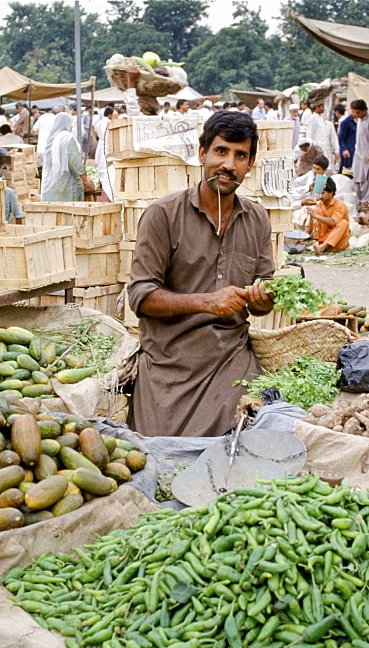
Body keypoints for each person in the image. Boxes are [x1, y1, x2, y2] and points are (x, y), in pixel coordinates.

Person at [127, 110, 275, 438]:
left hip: (230, 357)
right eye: (221, 151)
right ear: (202, 154)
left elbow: (263, 301)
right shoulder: (162, 215)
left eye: (240, 156)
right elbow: (140, 296)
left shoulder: (257, 219)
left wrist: (265, 298)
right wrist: (207, 302)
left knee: (248, 436)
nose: (229, 165)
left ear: (250, 165)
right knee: (161, 453)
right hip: (171, 359)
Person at [40, 112, 91, 202]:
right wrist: (85, 180)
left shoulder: (51, 138)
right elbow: (75, 163)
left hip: (49, 185)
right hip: (64, 186)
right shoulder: (67, 138)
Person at [306, 178, 350, 253]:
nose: (319, 196)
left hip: (337, 243)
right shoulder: (319, 205)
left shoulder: (340, 204)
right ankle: (321, 245)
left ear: (331, 193)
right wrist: (301, 237)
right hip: (322, 239)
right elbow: (309, 225)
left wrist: (315, 216)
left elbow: (333, 222)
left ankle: (323, 247)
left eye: (322, 193)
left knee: (344, 223)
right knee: (316, 211)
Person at [351, 100, 369, 204]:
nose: (356, 115)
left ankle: (366, 201)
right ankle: (358, 202)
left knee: (367, 179)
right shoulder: (359, 120)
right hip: (358, 154)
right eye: (354, 112)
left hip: (367, 155)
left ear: (365, 110)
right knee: (357, 178)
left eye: (358, 112)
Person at [307, 101, 338, 170]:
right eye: (322, 107)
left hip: (325, 148)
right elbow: (309, 135)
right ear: (316, 107)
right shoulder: (313, 118)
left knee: (327, 169)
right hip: (317, 149)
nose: (323, 109)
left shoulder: (321, 119)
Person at [95, 105, 117, 202]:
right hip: (107, 145)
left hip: (101, 145)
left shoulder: (100, 122)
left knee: (102, 166)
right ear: (110, 115)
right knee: (106, 168)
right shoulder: (108, 123)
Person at [337, 104, 357, 171]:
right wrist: (344, 149)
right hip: (348, 152)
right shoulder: (346, 122)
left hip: (356, 151)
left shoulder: (360, 122)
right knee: (346, 172)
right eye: (354, 111)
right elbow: (341, 138)